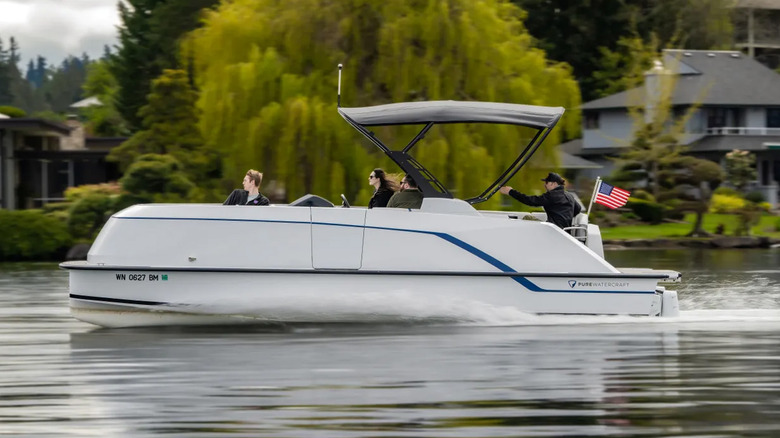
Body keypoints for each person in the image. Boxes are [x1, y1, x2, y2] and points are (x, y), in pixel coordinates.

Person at [498, 172, 581, 229]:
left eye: (547, 182)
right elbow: (578, 209)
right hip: (564, 230)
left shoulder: (552, 195)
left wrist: (511, 192)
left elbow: (530, 201)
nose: (545, 185)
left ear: (554, 184)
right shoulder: (569, 195)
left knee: (527, 217)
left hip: (553, 230)